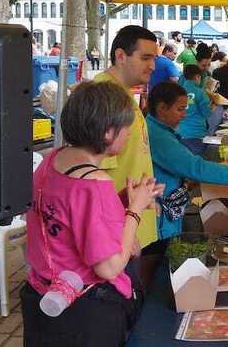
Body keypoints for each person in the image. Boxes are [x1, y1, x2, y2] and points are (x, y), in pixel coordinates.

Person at [22, 81, 163, 346]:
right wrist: (134, 210)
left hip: (42, 293)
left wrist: (124, 199)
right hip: (84, 310)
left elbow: (71, 216)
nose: (129, 134)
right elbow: (108, 266)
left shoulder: (54, 159)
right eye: (127, 129)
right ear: (109, 133)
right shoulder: (94, 183)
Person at [145, 81, 228, 274]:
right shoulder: (158, 136)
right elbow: (197, 168)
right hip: (160, 220)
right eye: (180, 109)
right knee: (161, 268)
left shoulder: (160, 130)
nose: (185, 115)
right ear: (162, 108)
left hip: (166, 213)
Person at [92, 25, 161, 285]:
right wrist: (122, 229)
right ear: (121, 55)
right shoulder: (104, 98)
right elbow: (96, 175)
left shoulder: (121, 94)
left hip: (130, 223)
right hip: (118, 232)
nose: (153, 66)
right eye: (145, 58)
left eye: (155, 58)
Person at [176, 65, 211, 155]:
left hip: (179, 133)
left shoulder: (177, 92)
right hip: (197, 134)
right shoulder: (200, 93)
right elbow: (207, 113)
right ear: (197, 77)